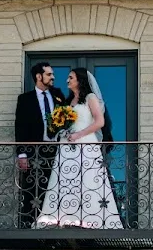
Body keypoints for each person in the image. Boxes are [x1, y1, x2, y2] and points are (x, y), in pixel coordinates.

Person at [34, 67, 123, 229]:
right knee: (66, 180)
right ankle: (65, 218)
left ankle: (92, 219)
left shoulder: (90, 98)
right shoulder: (67, 102)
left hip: (86, 143)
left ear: (80, 80)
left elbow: (99, 122)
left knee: (87, 179)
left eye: (71, 77)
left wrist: (79, 134)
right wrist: (61, 130)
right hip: (67, 146)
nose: (67, 80)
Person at [14, 62, 65, 227]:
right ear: (38, 76)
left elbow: (67, 118)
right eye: (49, 74)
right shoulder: (25, 99)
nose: (53, 77)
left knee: (56, 185)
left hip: (56, 149)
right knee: (33, 187)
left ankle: (57, 222)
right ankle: (31, 224)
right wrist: (21, 154)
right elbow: (20, 126)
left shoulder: (58, 94)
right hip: (34, 149)